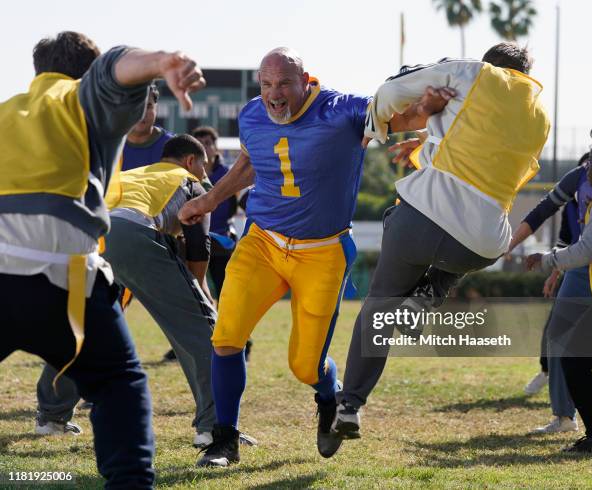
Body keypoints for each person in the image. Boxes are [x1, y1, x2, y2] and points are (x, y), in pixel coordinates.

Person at [178, 47, 449, 466]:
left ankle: (327, 397)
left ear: (307, 81)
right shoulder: (252, 114)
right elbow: (251, 164)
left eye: (284, 83)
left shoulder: (341, 111)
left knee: (305, 366)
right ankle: (223, 439)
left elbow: (403, 116)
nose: (274, 94)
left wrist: (431, 110)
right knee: (226, 336)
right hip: (262, 243)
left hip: (322, 252)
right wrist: (210, 200)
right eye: (266, 84)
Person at [0, 31, 205, 488]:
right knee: (118, 386)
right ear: (87, 76)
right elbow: (116, 65)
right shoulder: (82, 98)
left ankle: (53, 413)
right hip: (63, 275)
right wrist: (163, 60)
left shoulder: (7, 111)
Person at [330, 42, 551, 455]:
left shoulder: (472, 72)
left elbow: (393, 90)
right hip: (481, 245)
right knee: (466, 249)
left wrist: (375, 126)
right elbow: (486, 161)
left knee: (379, 306)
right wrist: (423, 143)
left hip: (420, 221)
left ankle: (350, 404)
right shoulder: (540, 116)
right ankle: (431, 293)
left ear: (491, 64)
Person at [34, 134, 222, 449]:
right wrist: (201, 296)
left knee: (83, 328)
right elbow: (197, 250)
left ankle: (52, 416)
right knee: (201, 329)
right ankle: (216, 427)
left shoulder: (135, 174)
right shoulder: (191, 182)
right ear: (191, 161)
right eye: (204, 166)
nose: (206, 174)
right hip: (128, 234)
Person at [509, 122, 592, 434]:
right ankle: (564, 418)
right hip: (582, 264)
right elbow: (549, 216)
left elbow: (586, 247)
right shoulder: (579, 177)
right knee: (558, 337)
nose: (586, 162)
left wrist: (548, 260)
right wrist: (510, 247)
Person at [191, 126, 239, 296]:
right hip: (193, 240)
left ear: (216, 147)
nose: (204, 147)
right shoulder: (185, 174)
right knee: (194, 290)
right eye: (199, 143)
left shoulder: (230, 173)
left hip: (221, 241)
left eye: (208, 143)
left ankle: (223, 322)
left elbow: (241, 202)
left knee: (225, 291)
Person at [122, 84, 174, 170]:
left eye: (148, 106)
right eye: (136, 105)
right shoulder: (107, 146)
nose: (142, 113)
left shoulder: (174, 147)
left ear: (156, 109)